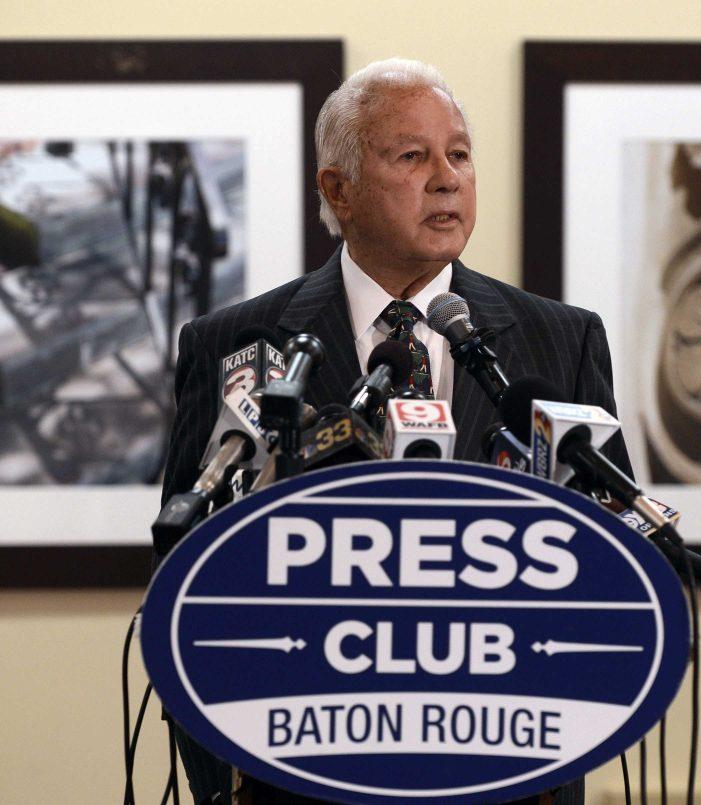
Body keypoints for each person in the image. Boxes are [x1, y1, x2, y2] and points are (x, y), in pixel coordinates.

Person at [158, 58, 633, 805]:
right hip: (298, 782)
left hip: (507, 781)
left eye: (461, 154)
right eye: (412, 156)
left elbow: (615, 567)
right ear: (336, 189)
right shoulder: (236, 345)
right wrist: (226, 791)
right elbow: (185, 589)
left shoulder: (559, 341)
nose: (447, 178)